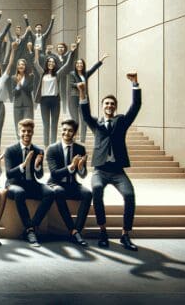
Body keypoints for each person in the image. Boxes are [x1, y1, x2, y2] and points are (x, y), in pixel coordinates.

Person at [78, 72, 141, 251]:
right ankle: (103, 231)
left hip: (118, 171)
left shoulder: (121, 122)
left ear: (115, 107)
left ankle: (125, 235)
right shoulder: (96, 124)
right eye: (106, 103)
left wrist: (135, 84)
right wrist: (82, 94)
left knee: (129, 195)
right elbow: (85, 114)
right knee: (96, 189)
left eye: (112, 104)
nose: (109, 106)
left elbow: (135, 106)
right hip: (100, 170)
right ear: (102, 106)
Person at [3, 118, 54, 247]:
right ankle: (30, 231)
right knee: (20, 193)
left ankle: (31, 227)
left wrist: (37, 166)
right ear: (18, 132)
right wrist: (23, 165)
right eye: (23, 131)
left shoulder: (38, 150)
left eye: (29, 131)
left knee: (50, 192)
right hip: (14, 184)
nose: (26, 134)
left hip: (31, 183)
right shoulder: (10, 150)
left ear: (33, 133)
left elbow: (40, 175)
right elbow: (8, 174)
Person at [46, 119, 92, 247]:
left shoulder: (80, 149)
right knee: (59, 191)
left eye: (70, 130)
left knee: (88, 194)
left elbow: (83, 174)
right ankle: (73, 231)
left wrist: (81, 166)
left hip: (72, 184)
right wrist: (71, 166)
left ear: (75, 133)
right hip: (55, 184)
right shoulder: (52, 149)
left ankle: (76, 230)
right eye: (64, 129)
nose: (66, 133)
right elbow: (54, 173)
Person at [33, 47, 77, 146]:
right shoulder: (42, 73)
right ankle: (46, 145)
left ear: (55, 64)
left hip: (55, 100)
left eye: (53, 62)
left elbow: (67, 65)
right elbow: (36, 63)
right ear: (47, 63)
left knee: (54, 124)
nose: (51, 63)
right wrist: (36, 50)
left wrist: (72, 51)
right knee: (46, 124)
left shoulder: (57, 74)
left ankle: (52, 145)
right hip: (44, 101)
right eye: (49, 62)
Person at [68, 55, 107, 142]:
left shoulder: (85, 74)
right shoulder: (72, 74)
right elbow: (71, 83)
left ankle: (82, 140)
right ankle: (74, 138)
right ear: (75, 65)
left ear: (83, 65)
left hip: (84, 99)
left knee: (84, 119)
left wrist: (101, 60)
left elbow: (93, 69)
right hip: (74, 98)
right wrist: (77, 84)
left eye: (81, 63)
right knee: (75, 120)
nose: (79, 65)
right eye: (77, 63)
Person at [8, 57, 35, 134]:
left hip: (28, 105)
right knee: (18, 127)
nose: (21, 66)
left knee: (28, 126)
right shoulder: (13, 78)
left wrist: (21, 83)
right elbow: (13, 93)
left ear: (25, 66)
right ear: (17, 66)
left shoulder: (30, 76)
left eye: (23, 64)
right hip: (17, 105)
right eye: (19, 64)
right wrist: (18, 85)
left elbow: (30, 89)